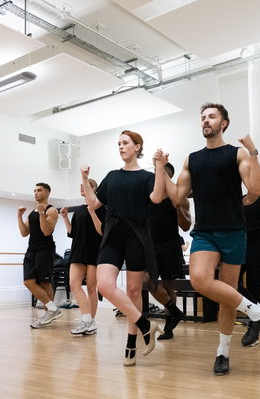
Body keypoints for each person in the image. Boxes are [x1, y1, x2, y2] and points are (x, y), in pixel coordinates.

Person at [154, 103, 260, 376]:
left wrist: (253, 150)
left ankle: (223, 352)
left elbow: (256, 188)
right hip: (205, 231)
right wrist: (161, 168)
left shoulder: (237, 153)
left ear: (224, 123)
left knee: (228, 297)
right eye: (203, 118)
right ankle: (258, 314)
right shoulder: (192, 159)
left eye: (211, 117)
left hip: (234, 230)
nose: (205, 121)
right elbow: (176, 196)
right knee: (199, 279)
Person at [80, 130, 165, 367]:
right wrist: (85, 179)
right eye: (118, 143)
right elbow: (93, 203)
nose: (121, 146)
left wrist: (159, 167)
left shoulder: (147, 176)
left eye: (125, 142)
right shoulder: (112, 176)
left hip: (136, 236)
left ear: (137, 146)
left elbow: (157, 198)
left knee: (134, 291)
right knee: (105, 285)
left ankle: (131, 342)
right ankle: (146, 325)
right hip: (112, 236)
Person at [147, 162, 191, 340]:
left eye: (164, 173)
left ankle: (169, 328)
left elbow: (186, 226)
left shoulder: (179, 198)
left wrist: (178, 206)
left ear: (170, 176)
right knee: (148, 281)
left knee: (168, 285)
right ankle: (177, 312)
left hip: (170, 245)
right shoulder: (149, 197)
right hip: (150, 246)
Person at [60, 180, 105, 336]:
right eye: (80, 185)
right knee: (74, 284)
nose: (81, 186)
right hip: (78, 251)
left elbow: (102, 232)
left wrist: (92, 211)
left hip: (94, 251)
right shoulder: (79, 210)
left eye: (86, 185)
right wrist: (65, 218)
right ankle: (87, 319)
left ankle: (91, 322)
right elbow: (72, 233)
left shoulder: (101, 208)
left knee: (92, 288)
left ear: (94, 189)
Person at [17, 183, 61, 329]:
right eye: (34, 190)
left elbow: (46, 231)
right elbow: (24, 233)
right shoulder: (32, 212)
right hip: (31, 250)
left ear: (47, 193)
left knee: (45, 282)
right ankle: (53, 309)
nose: (35, 193)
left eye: (39, 190)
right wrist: (19, 216)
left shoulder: (52, 210)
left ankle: (48, 314)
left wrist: (42, 213)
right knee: (28, 281)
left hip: (45, 250)